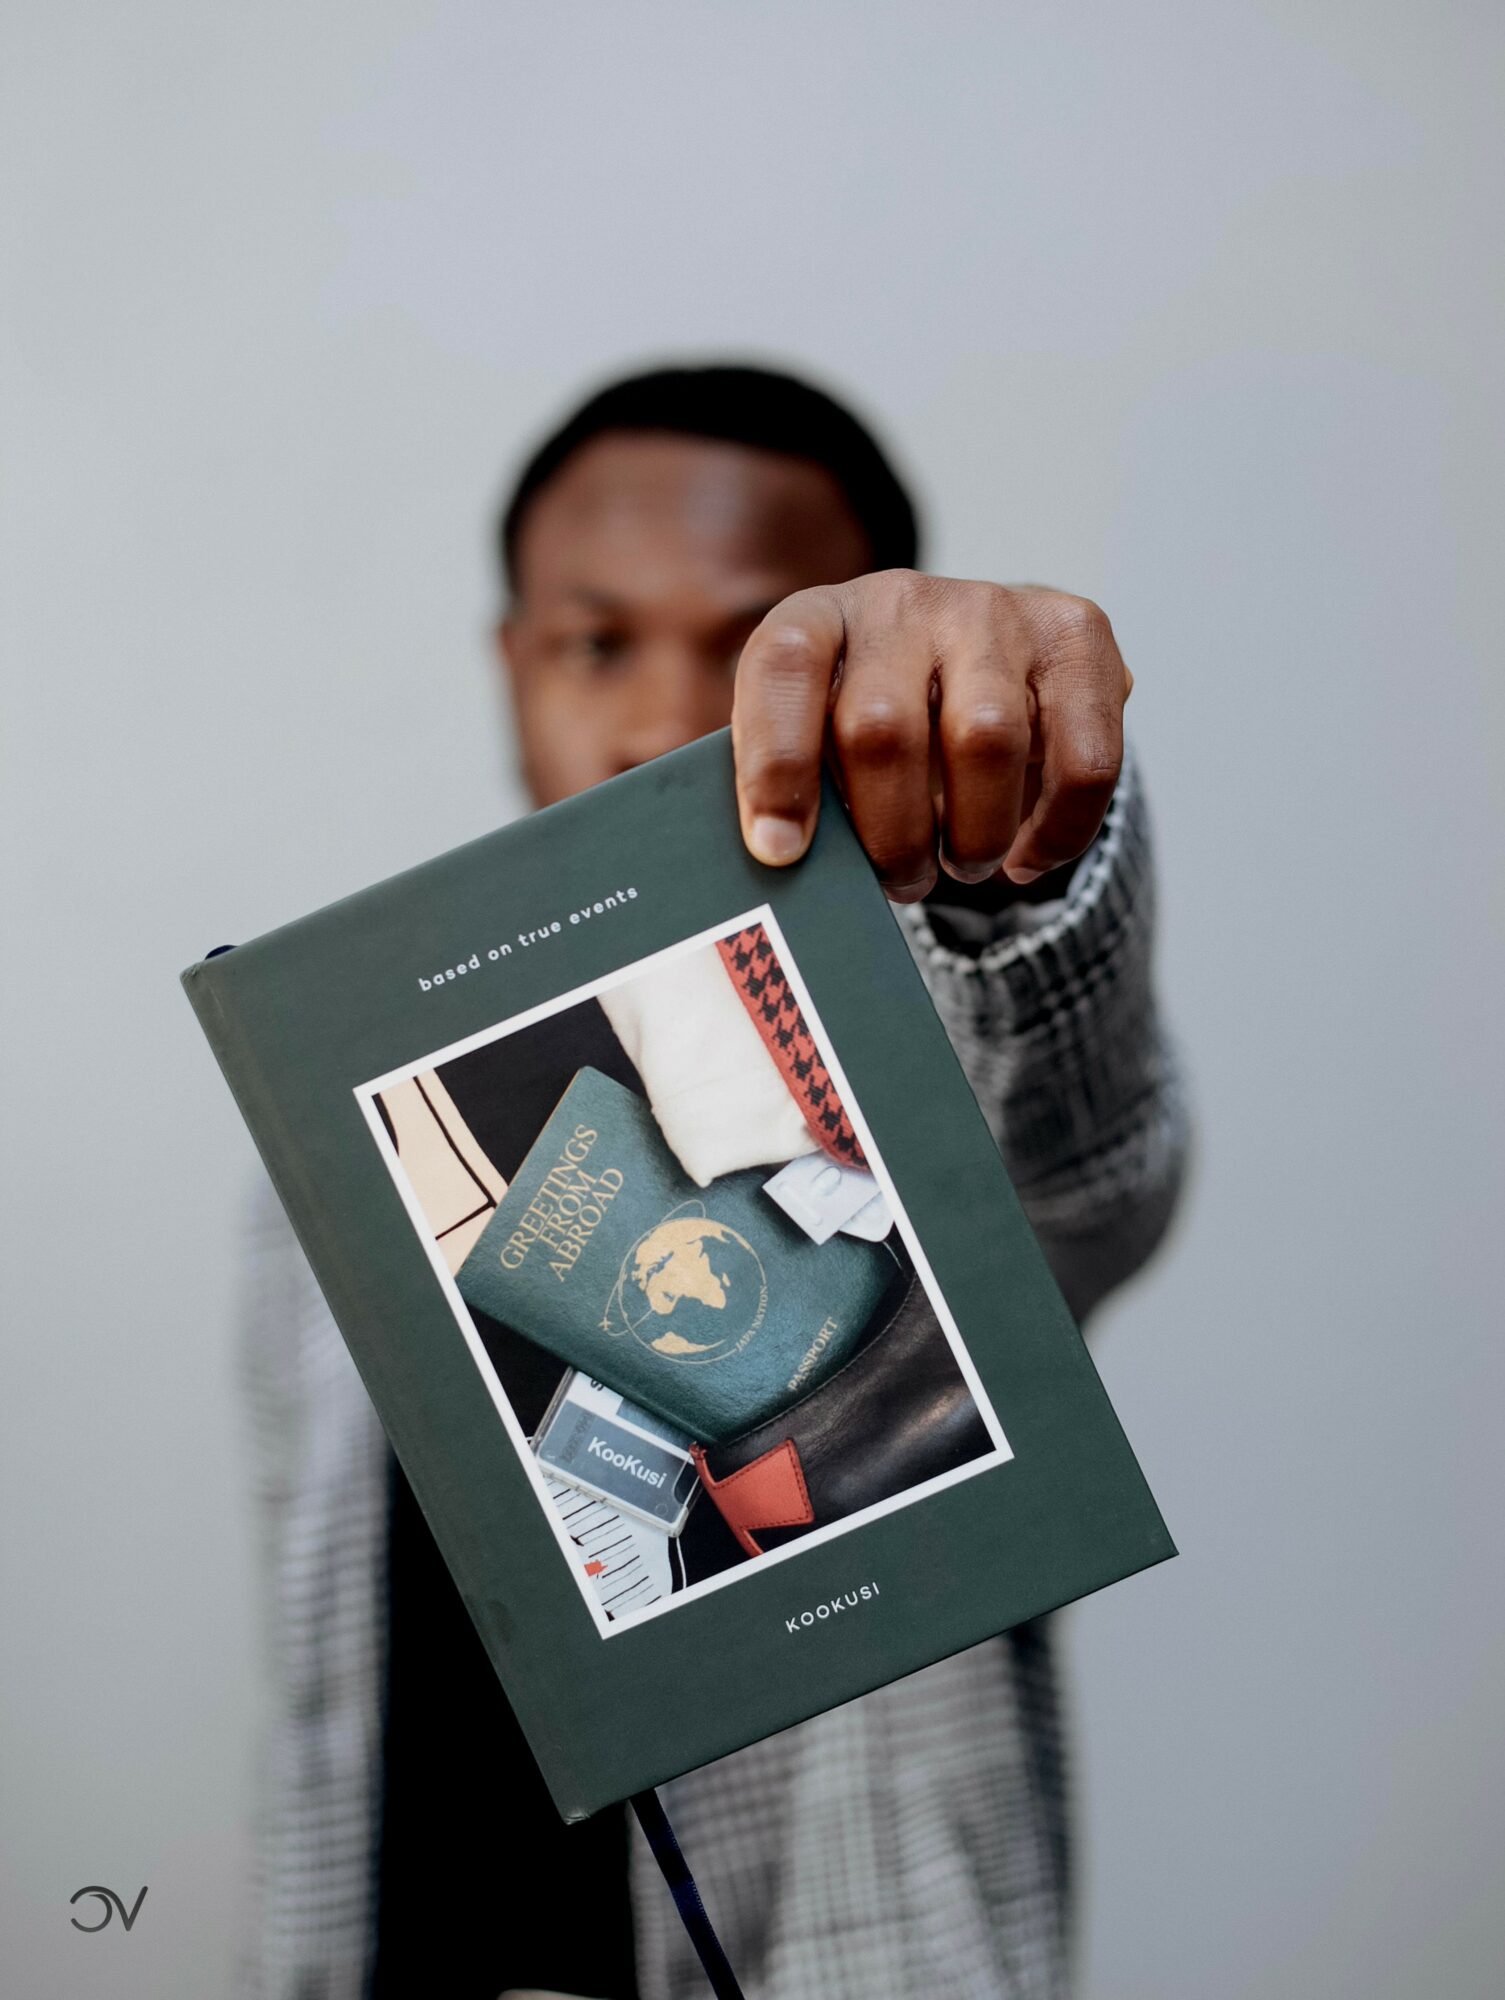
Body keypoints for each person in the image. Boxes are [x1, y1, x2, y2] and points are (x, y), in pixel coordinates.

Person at [238, 362, 1188, 2000]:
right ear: (510, 665)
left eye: (753, 655)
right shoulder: (330, 1131)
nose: (663, 721)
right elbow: (325, 1702)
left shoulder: (926, 1064)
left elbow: (1081, 1149)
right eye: (596, 641)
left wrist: (1022, 845)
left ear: (872, 681)